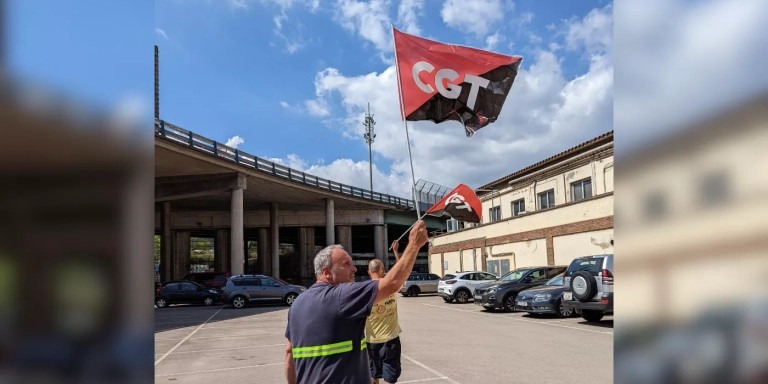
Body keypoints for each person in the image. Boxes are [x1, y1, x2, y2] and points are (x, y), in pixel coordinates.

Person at [284, 220, 428, 384]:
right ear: (327, 272)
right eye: (347, 264)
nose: (354, 269)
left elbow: (289, 352)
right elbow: (393, 283)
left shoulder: (297, 304)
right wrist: (414, 245)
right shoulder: (342, 295)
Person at [365, 240, 403, 384]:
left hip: (371, 340)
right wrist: (395, 252)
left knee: (373, 376)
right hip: (390, 339)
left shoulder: (363, 291)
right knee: (390, 377)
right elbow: (400, 273)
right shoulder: (390, 287)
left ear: (369, 272)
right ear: (382, 270)